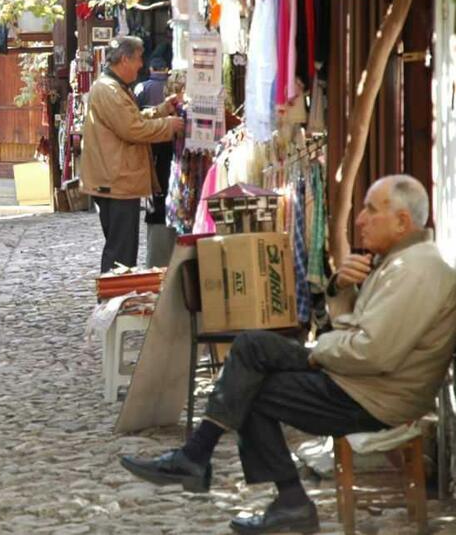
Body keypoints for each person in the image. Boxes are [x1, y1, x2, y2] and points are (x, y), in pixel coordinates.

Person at [120, 175, 456, 534]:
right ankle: (208, 462)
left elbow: (372, 353)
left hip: (375, 397)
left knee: (248, 386)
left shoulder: (417, 270)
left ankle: (247, 480)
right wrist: (340, 287)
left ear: (402, 221)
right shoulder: (399, 262)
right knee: (250, 350)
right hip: (361, 381)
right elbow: (352, 328)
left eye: (370, 210)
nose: (359, 219)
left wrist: (317, 353)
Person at [80, 36, 184, 273]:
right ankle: (112, 303)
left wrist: (162, 110)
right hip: (115, 181)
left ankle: (115, 300)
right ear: (125, 59)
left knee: (122, 249)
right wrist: (169, 125)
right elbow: (132, 129)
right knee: (121, 253)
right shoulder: (109, 90)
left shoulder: (113, 88)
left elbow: (132, 120)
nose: (140, 65)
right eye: (138, 59)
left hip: (117, 180)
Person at [134, 61, 180, 268]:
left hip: (158, 193)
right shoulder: (169, 124)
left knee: (158, 257)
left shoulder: (141, 88)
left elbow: (137, 120)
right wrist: (165, 123)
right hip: (161, 192)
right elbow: (133, 125)